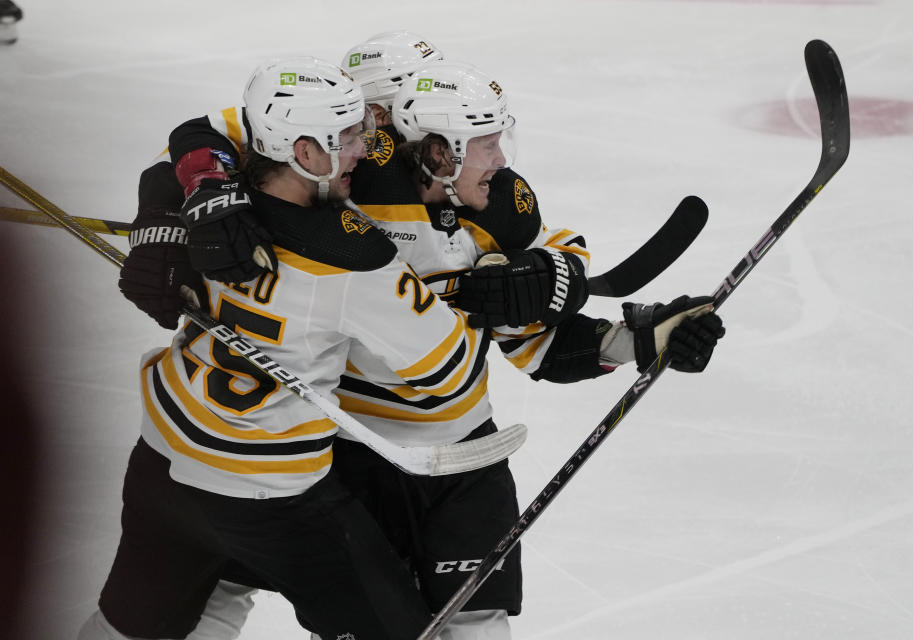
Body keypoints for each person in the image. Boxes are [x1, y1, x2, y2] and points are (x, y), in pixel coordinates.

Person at [119, 42, 725, 640]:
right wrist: (176, 214)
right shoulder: (336, 187)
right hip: (348, 449)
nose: (372, 131)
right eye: (365, 117)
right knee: (241, 594)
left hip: (454, 459)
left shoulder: (491, 200)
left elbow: (534, 328)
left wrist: (608, 324)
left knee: (475, 625)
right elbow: (203, 135)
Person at [81, 55, 516, 640]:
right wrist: (489, 287)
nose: (364, 150)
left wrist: (165, 223)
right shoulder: (355, 259)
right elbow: (453, 373)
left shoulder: (217, 206)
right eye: (348, 136)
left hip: (161, 462)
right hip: (271, 499)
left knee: (127, 627)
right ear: (306, 152)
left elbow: (192, 144)